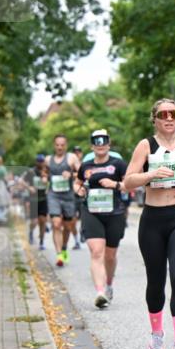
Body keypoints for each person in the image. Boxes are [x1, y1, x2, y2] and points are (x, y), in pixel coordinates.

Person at [125, 99, 175, 349]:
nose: (168, 118)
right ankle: (157, 335)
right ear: (155, 119)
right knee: (156, 281)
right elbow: (127, 181)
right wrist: (150, 175)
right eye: (162, 114)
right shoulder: (146, 146)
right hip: (153, 221)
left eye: (173, 114)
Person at [76, 130, 128, 309]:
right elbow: (78, 182)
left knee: (110, 255)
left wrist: (115, 185)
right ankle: (99, 292)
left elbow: (129, 184)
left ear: (109, 144)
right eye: (96, 142)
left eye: (104, 142)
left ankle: (109, 285)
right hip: (91, 211)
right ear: (92, 146)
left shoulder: (119, 164)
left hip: (114, 213)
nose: (100, 145)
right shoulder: (86, 165)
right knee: (97, 252)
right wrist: (79, 190)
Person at [47, 135, 81, 267]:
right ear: (54, 145)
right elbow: (44, 172)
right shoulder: (48, 159)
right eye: (57, 145)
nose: (60, 147)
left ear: (66, 145)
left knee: (68, 226)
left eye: (62, 145)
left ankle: (64, 247)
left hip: (68, 196)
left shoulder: (72, 158)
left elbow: (83, 173)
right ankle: (59, 255)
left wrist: (71, 174)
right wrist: (45, 178)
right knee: (56, 223)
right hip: (53, 195)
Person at [25, 154, 50, 248]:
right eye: (38, 161)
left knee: (43, 221)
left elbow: (51, 181)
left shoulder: (47, 170)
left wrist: (47, 182)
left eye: (42, 161)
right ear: (36, 162)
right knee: (34, 222)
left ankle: (41, 242)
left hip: (44, 199)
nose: (40, 163)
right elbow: (22, 181)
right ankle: (31, 232)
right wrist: (29, 187)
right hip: (33, 200)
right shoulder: (31, 171)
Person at [71, 145, 85, 249]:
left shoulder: (85, 164)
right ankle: (76, 240)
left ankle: (83, 231)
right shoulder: (69, 164)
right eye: (75, 152)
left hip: (83, 194)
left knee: (84, 217)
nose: (77, 154)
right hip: (71, 195)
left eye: (78, 152)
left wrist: (73, 175)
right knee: (72, 219)